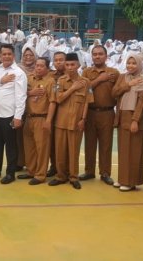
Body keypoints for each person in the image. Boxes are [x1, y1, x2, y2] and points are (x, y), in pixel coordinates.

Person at [0, 44, 27, 184]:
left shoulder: (19, 72)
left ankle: (10, 173)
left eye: (9, 54)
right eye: (4, 54)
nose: (7, 56)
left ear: (13, 55)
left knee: (10, 146)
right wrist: (1, 81)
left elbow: (21, 96)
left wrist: (18, 117)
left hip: (9, 115)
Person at [48, 53, 91, 190]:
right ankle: (61, 176)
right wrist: (72, 89)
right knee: (60, 151)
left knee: (74, 151)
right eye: (67, 65)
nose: (70, 67)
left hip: (76, 122)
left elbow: (87, 102)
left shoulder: (86, 82)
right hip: (60, 122)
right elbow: (58, 99)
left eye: (73, 64)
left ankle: (73, 177)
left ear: (78, 65)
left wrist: (83, 119)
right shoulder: (60, 81)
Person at [80, 45, 119, 185]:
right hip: (90, 112)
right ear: (91, 56)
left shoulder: (114, 73)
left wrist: (118, 116)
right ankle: (89, 171)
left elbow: (119, 94)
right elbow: (83, 88)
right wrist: (100, 79)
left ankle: (105, 172)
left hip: (107, 112)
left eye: (100, 54)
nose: (97, 56)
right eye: (95, 54)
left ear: (106, 56)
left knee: (106, 145)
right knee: (89, 144)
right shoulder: (86, 72)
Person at [112, 54, 143, 192]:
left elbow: (141, 102)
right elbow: (114, 92)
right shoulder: (123, 77)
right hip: (122, 116)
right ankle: (123, 178)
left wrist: (135, 120)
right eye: (129, 63)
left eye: (134, 63)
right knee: (124, 150)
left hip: (135, 116)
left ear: (139, 64)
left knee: (134, 151)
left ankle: (131, 181)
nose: (131, 66)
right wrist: (128, 85)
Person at [21, 57, 56, 185]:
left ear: (47, 68)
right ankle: (31, 171)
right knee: (29, 147)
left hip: (42, 118)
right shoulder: (30, 78)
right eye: (37, 65)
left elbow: (53, 102)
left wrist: (48, 120)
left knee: (42, 149)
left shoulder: (51, 81)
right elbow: (21, 93)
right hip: (29, 117)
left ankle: (40, 175)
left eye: (41, 66)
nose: (38, 68)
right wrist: (31, 92)